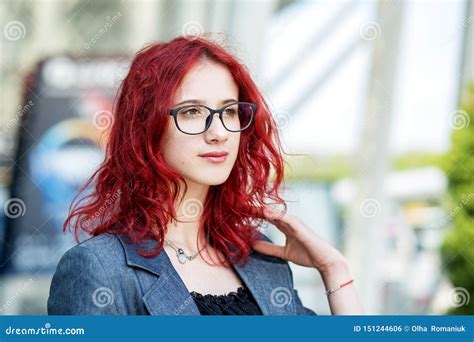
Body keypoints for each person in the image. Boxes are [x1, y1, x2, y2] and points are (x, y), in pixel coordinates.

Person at [47, 35, 362, 316]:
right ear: (146, 128)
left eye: (228, 111)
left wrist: (334, 269)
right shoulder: (99, 269)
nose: (219, 133)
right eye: (192, 112)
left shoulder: (259, 257)